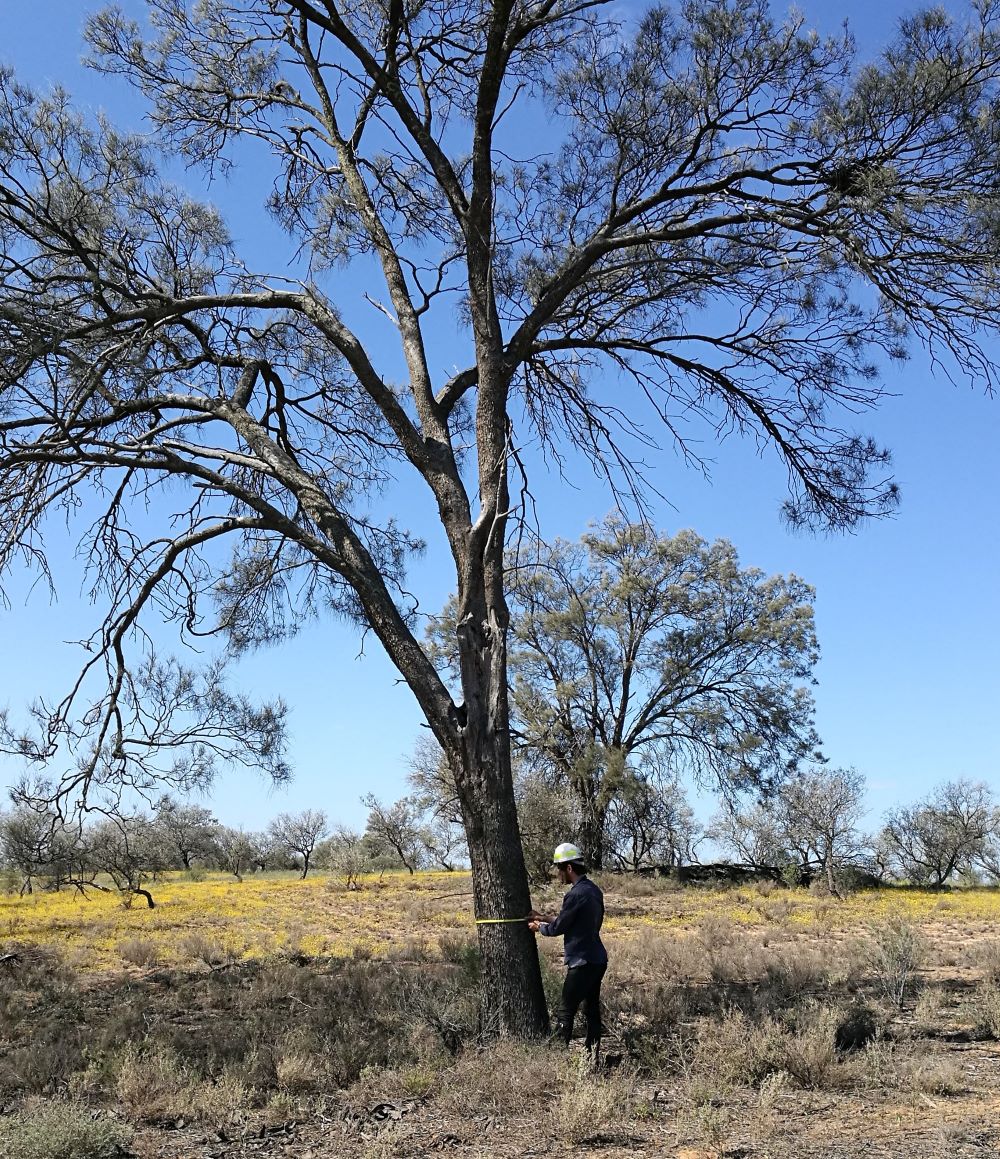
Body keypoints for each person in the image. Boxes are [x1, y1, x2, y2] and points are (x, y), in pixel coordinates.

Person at [528, 842, 608, 1056]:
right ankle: (592, 1058)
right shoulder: (593, 890)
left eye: (559, 869)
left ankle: (556, 1060)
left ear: (569, 868)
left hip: (582, 962)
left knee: (565, 1012)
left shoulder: (574, 895)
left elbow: (558, 928)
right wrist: (544, 917)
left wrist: (539, 927)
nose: (558, 874)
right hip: (597, 959)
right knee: (592, 1011)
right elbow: (573, 921)